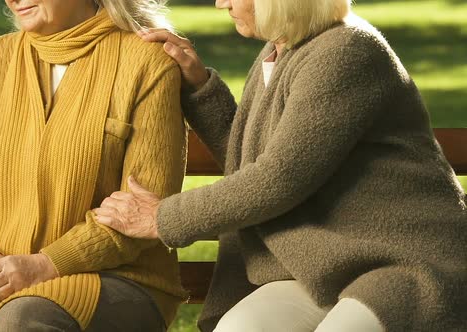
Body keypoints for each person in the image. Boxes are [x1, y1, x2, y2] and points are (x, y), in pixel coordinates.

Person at [93, 0, 467, 331]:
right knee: (239, 327)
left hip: (402, 264)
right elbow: (253, 159)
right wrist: (199, 85)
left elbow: (279, 178)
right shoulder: (282, 51)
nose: (221, 4)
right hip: (325, 266)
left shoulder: (346, 50)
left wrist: (161, 218)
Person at [0, 0, 188, 330]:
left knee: (22, 322)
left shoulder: (148, 62)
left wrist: (45, 265)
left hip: (116, 275)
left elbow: (141, 213)